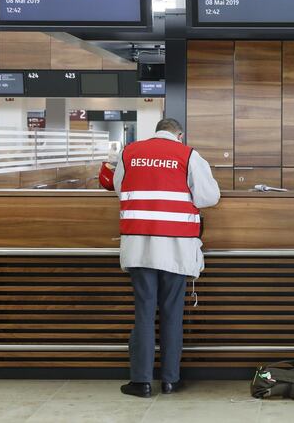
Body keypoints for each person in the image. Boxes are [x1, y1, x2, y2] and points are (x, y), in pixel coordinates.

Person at [113, 118, 220, 398]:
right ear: (179, 135)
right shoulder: (188, 155)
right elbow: (210, 197)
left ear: (156, 131)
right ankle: (171, 379)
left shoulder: (129, 153)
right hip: (175, 247)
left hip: (139, 246)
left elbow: (119, 189)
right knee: (173, 314)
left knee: (144, 314)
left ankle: (141, 382)